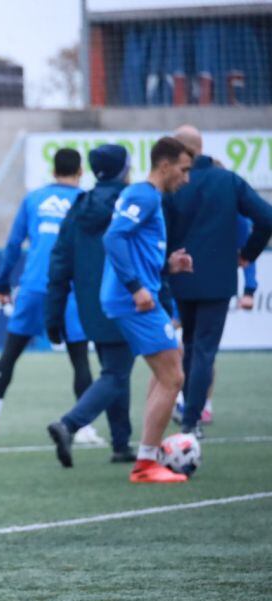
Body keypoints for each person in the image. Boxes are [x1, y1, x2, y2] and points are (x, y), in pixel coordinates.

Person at [0, 148, 99, 444]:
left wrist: (2, 283)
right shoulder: (85, 201)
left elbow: (14, 244)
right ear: (80, 172)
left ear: (53, 170)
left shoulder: (33, 200)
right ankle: (84, 427)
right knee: (79, 358)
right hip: (69, 289)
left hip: (34, 287)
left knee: (11, 351)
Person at [164, 125, 272, 437]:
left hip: (180, 277)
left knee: (189, 344)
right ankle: (192, 420)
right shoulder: (228, 180)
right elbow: (266, 218)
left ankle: (187, 411)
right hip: (218, 279)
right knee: (204, 350)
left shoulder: (172, 182)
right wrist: (248, 254)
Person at [100, 136, 195, 484]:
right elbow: (113, 238)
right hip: (132, 299)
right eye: (183, 171)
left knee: (169, 367)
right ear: (165, 165)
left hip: (137, 295)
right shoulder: (143, 194)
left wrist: (169, 266)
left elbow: (134, 249)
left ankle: (148, 454)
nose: (186, 179)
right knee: (173, 376)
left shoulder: (148, 197)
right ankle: (145, 464)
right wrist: (136, 287)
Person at [45, 144, 138, 467]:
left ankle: (121, 443)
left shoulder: (80, 206)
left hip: (91, 307)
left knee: (115, 369)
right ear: (122, 169)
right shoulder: (132, 202)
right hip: (128, 301)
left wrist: (53, 315)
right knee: (115, 372)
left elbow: (59, 263)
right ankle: (69, 424)